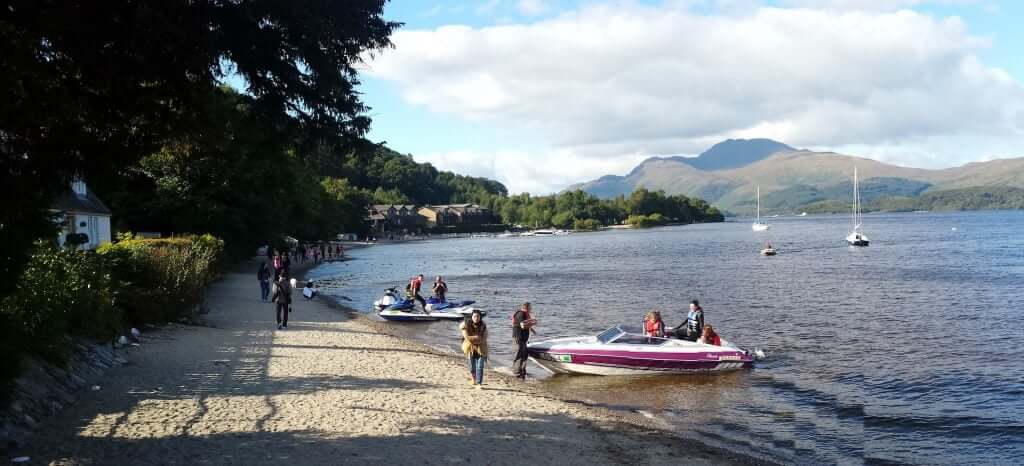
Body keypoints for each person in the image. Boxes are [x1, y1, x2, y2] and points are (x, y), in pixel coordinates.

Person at [460, 309, 488, 388]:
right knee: (472, 367)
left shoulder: (483, 326)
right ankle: (474, 379)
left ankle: (479, 383)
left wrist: (475, 339)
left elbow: (484, 338)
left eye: (478, 316)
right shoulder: (466, 325)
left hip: (481, 348)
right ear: (471, 317)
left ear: (480, 317)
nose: (476, 318)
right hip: (469, 348)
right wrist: (477, 338)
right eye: (475, 316)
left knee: (480, 366)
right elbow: (467, 337)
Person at [511, 302, 537, 380]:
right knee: (519, 354)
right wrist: (533, 324)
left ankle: (522, 371)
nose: (531, 309)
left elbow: (525, 324)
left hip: (523, 338)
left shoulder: (525, 314)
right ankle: (516, 372)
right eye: (530, 307)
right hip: (518, 337)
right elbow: (522, 325)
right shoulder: (521, 314)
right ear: (526, 307)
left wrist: (532, 329)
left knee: (525, 354)